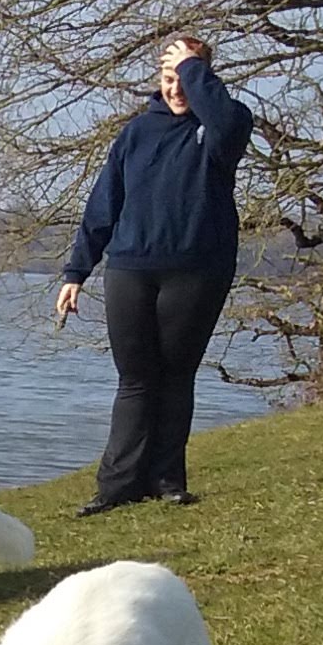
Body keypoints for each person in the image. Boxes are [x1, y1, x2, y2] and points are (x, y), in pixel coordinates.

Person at [56, 35, 253, 516]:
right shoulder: (136, 133)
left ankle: (167, 479)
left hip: (197, 270)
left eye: (185, 78)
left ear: (204, 77)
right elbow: (104, 204)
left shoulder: (226, 124)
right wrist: (76, 270)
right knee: (135, 379)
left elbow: (222, 120)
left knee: (175, 376)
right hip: (130, 270)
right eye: (168, 79)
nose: (177, 90)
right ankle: (117, 485)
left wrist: (191, 67)